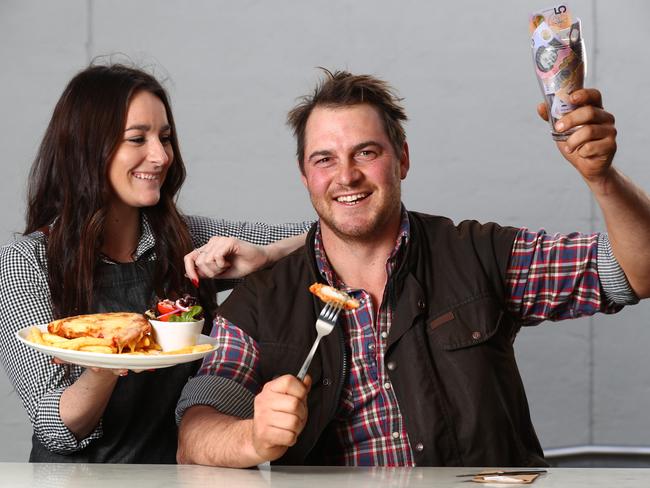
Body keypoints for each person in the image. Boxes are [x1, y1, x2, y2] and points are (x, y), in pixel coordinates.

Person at [175, 70, 650, 467]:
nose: (346, 176)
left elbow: (634, 273)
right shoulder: (261, 300)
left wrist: (601, 178)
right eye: (325, 159)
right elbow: (196, 433)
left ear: (402, 158)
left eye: (366, 152)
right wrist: (251, 439)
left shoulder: (476, 254)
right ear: (305, 177)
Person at [0, 63, 311, 463]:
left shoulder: (184, 239)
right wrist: (107, 359)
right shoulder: (28, 260)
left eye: (165, 138)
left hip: (181, 473)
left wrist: (267, 256)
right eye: (137, 138)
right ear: (88, 147)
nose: (161, 155)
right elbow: (56, 428)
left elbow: (325, 234)